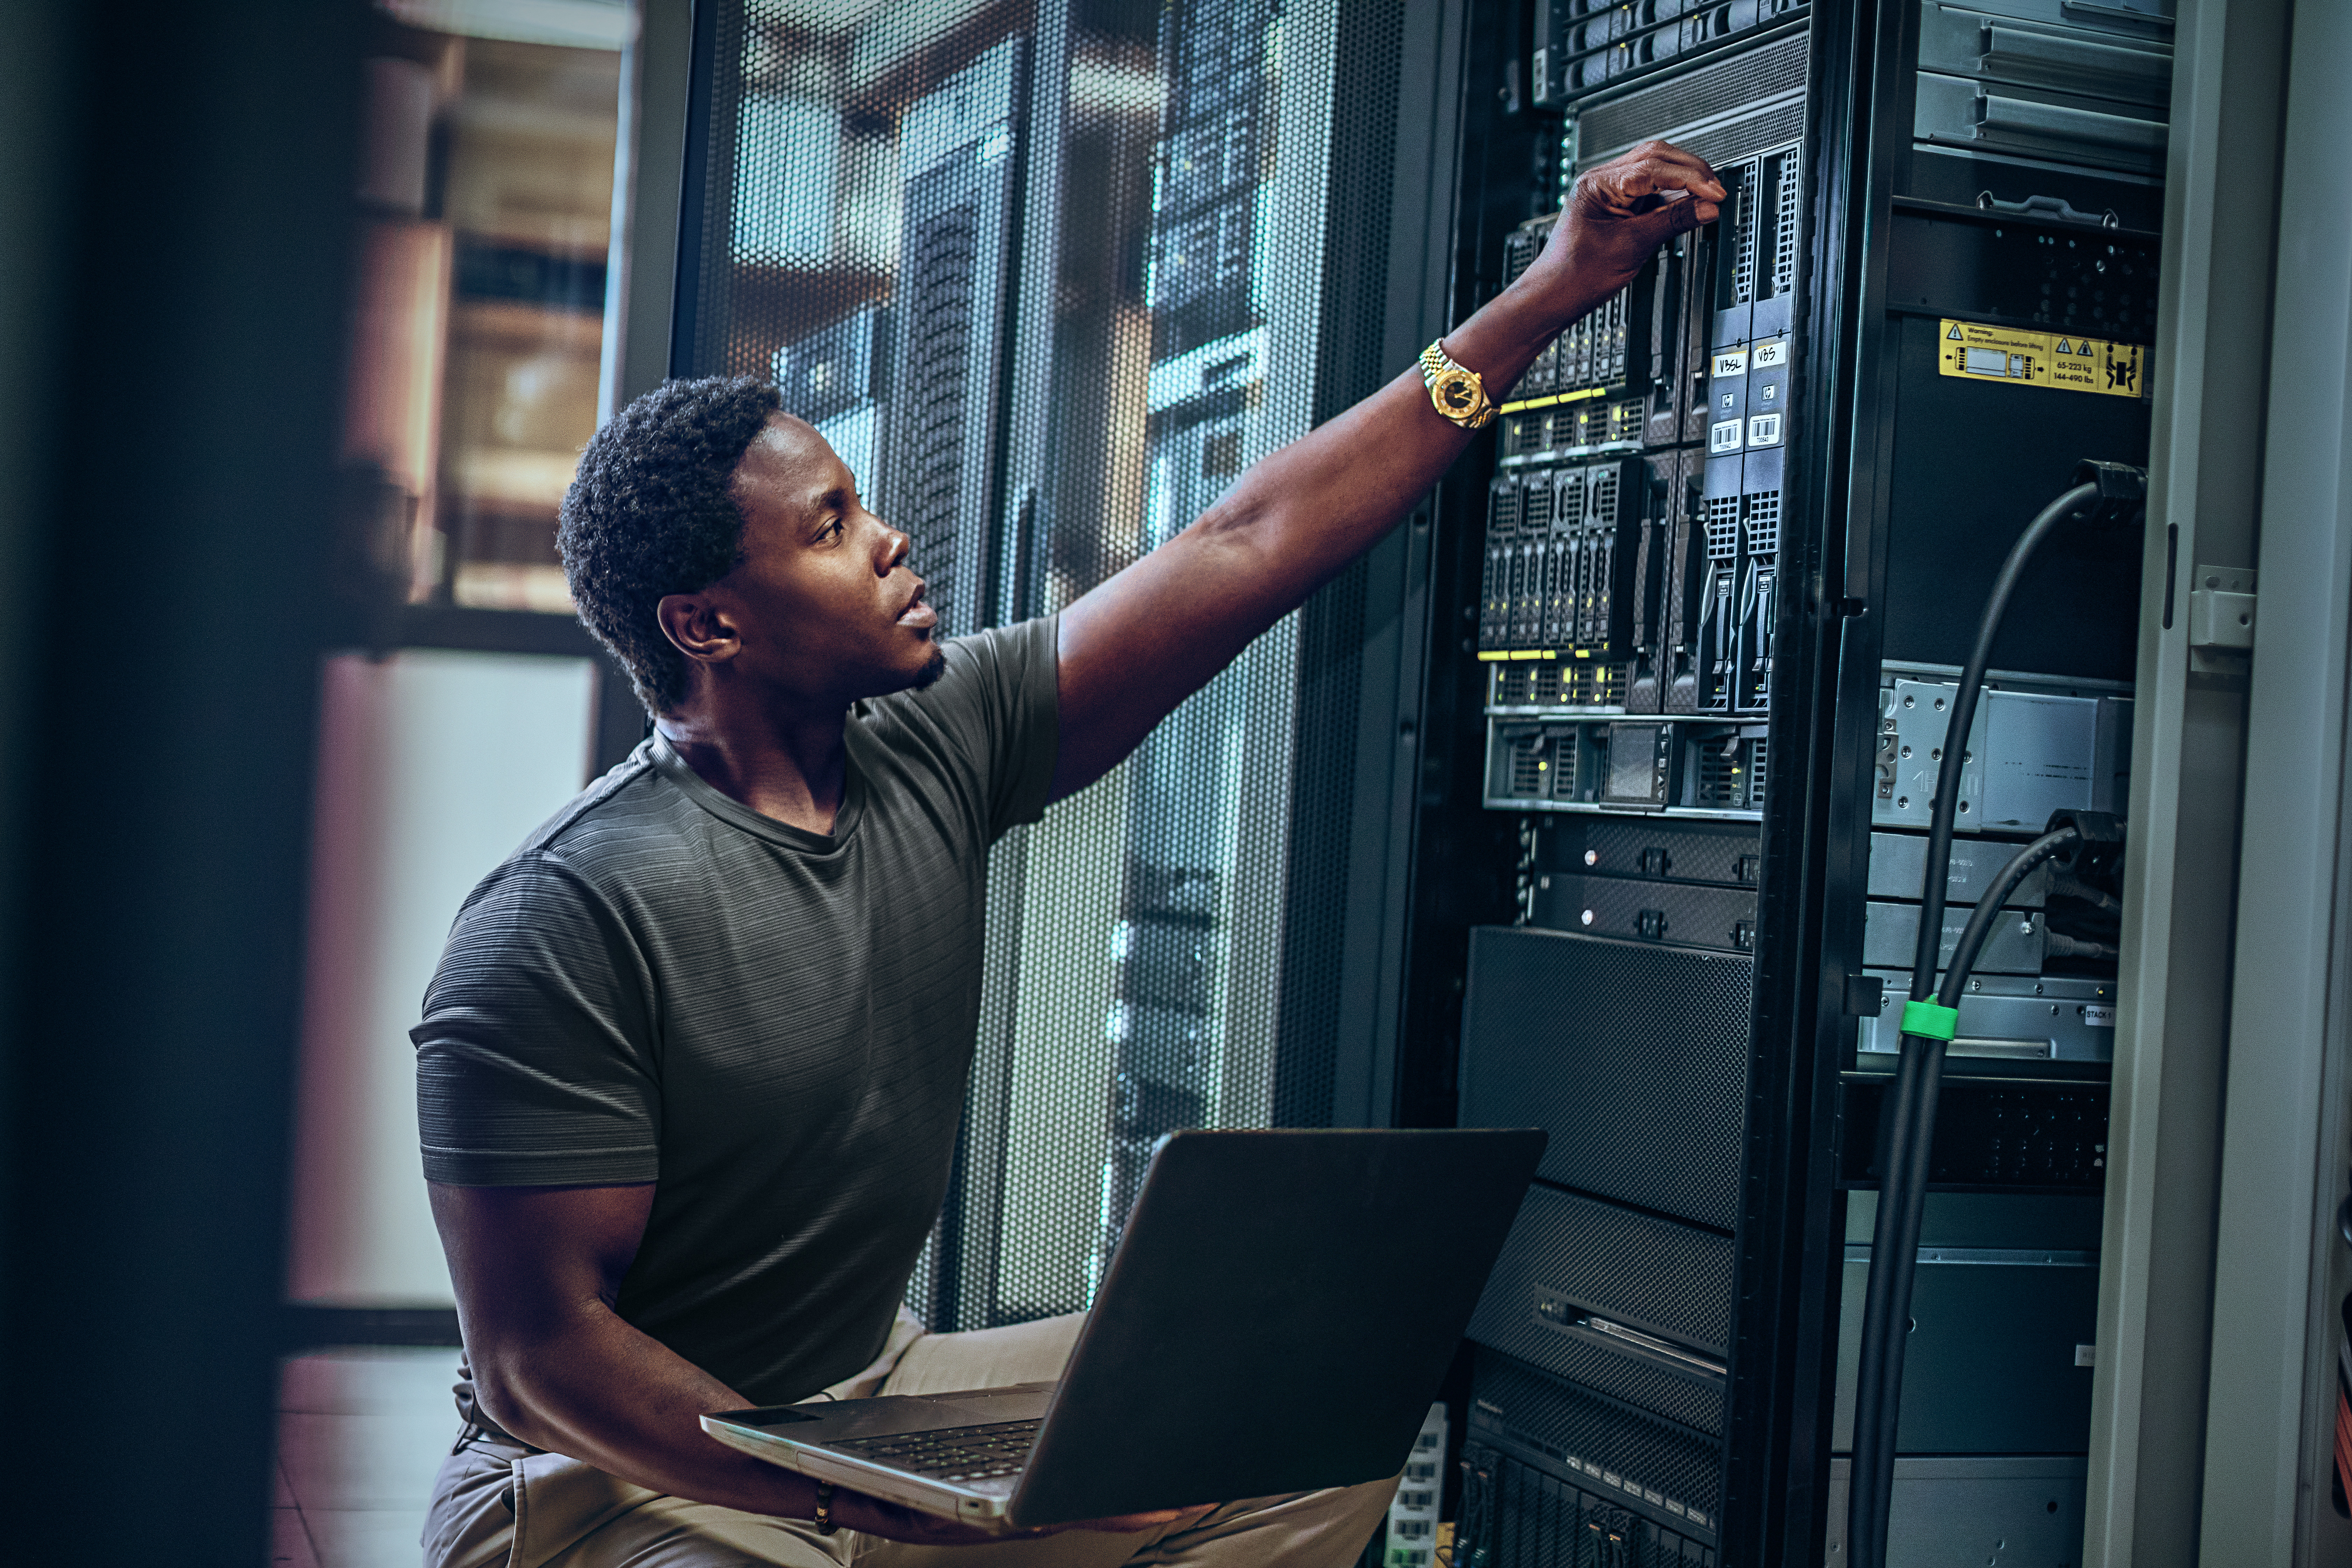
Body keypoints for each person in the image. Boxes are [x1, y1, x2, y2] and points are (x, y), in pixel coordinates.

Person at [415, 138, 1722, 1568]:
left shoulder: (938, 740)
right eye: (835, 527)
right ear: (706, 625)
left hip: (862, 1399)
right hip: (619, 1484)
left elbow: (1245, 539)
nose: (895, 541)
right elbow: (547, 1358)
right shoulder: (563, 921)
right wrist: (863, 1497)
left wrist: (1556, 286)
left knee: (1291, 1419)